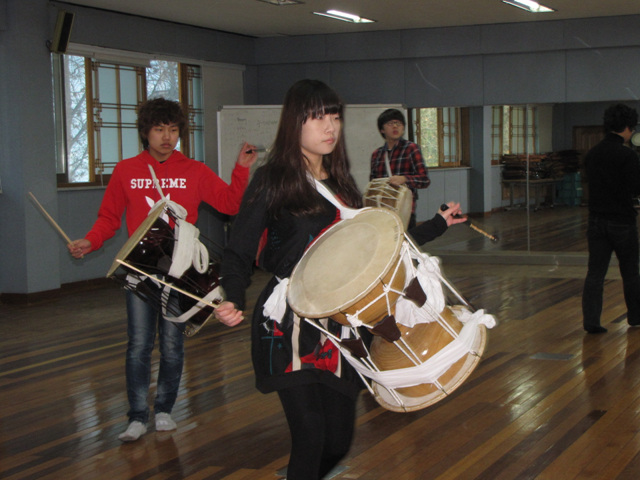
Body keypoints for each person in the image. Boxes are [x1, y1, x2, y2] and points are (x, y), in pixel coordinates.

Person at [214, 79, 465, 479]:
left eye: (334, 116)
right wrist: (232, 296)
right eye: (317, 117)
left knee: (337, 442)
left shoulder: (343, 185)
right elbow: (239, 248)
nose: (329, 126)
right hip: (289, 324)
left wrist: (437, 224)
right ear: (295, 123)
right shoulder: (273, 180)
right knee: (310, 434)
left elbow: (377, 253)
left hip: (344, 324)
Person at [68, 97, 258, 441]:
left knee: (172, 345)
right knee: (138, 344)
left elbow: (229, 203)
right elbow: (109, 219)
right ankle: (137, 416)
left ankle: (165, 409)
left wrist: (241, 169)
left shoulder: (195, 171)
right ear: (146, 132)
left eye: (172, 130)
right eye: (159, 129)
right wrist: (90, 242)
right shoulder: (126, 170)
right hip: (140, 271)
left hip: (181, 272)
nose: (166, 137)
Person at [582, 103, 640, 334]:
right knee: (630, 272)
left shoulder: (592, 154)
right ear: (627, 127)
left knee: (595, 273)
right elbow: (636, 188)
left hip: (595, 221)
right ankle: (635, 317)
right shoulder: (627, 155)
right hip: (622, 221)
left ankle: (591, 322)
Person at [370, 108, 431, 230]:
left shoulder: (411, 149)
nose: (395, 126)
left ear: (403, 128)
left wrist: (405, 179)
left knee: (406, 246)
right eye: (390, 123)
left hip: (405, 211)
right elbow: (373, 184)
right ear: (382, 129)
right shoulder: (377, 154)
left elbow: (424, 180)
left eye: (398, 123)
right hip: (384, 212)